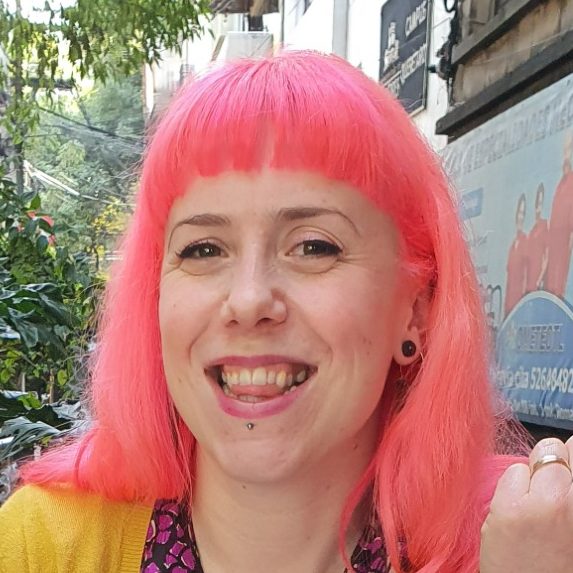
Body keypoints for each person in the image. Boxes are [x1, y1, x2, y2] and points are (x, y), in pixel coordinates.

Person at [1, 51, 573, 573]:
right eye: (203, 250)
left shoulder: (522, 548)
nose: (249, 301)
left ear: (415, 313)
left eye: (314, 246)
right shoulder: (43, 548)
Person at [546, 132, 573, 298]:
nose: (566, 155)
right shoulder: (560, 185)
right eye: (565, 150)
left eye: (569, 149)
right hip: (554, 256)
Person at [504, 193, 528, 316]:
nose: (520, 217)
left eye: (523, 214)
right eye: (519, 213)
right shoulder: (513, 245)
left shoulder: (525, 241)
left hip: (519, 303)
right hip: (509, 301)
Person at [526, 183, 549, 293]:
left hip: (538, 283)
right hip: (530, 280)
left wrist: (539, 280)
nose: (538, 207)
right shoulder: (532, 231)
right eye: (537, 203)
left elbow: (546, 258)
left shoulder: (544, 226)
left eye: (541, 203)